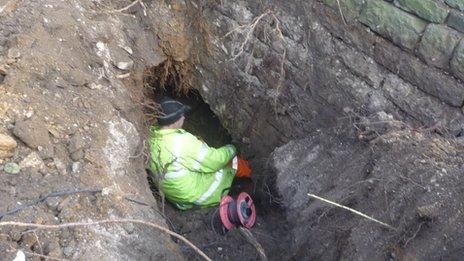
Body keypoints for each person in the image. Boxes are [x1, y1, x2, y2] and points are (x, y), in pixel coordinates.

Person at [148, 98, 252, 210]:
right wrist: (232, 148)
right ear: (174, 121)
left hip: (176, 197)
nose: (184, 117)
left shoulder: (152, 135)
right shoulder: (182, 142)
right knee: (234, 162)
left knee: (199, 145)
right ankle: (250, 182)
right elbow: (215, 161)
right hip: (197, 195)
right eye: (182, 115)